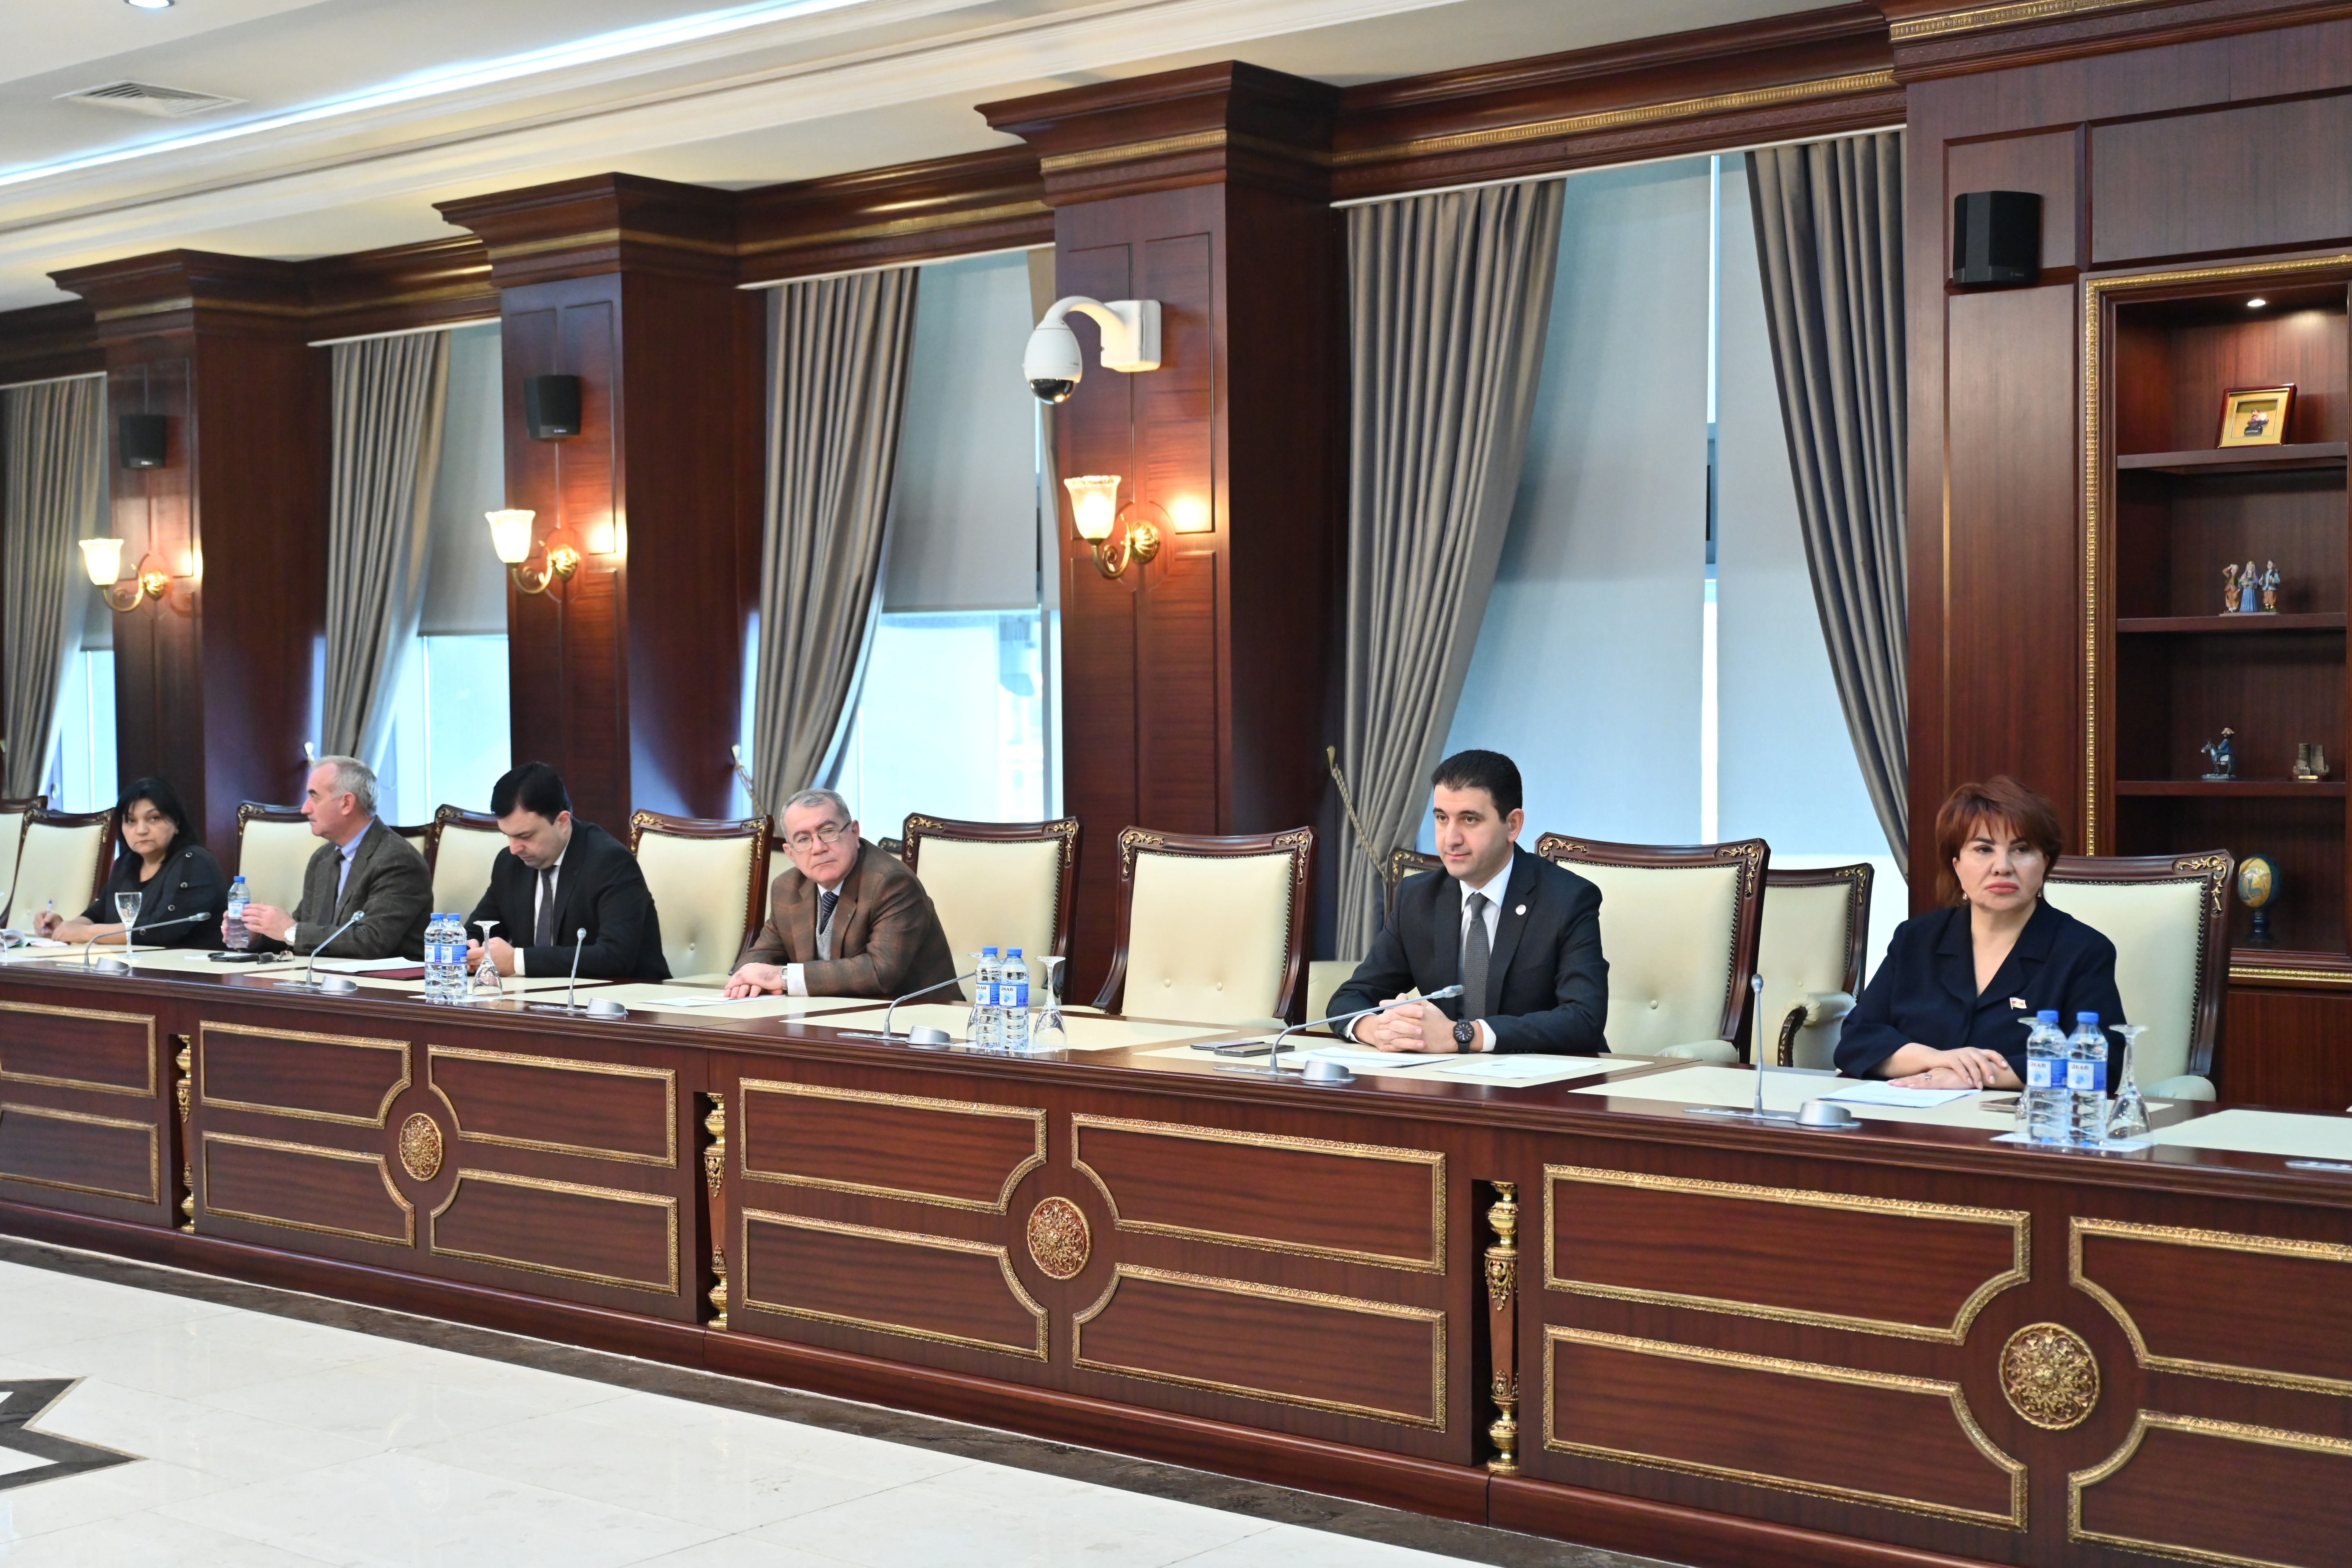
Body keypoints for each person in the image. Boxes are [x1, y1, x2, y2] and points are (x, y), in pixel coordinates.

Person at [1836, 776, 2126, 1089]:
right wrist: (1936, 1060)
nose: (2002, 867)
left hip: (2017, 1115)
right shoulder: (1916, 939)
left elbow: (2099, 1065)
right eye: (1983, 849)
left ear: (2045, 863)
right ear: (1957, 865)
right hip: (1907, 1108)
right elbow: (1856, 1040)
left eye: (2021, 849)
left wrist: (1969, 1077)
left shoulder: (2082, 950)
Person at [1327, 749, 1608, 1054]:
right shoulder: (1418, 897)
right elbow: (1351, 997)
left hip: (1551, 1076)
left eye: (1469, 819)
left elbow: (1584, 1019)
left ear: (1512, 825)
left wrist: (1461, 1035)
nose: (1451, 839)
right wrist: (1376, 1029)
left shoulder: (1567, 898)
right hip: (1447, 1076)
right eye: (1441, 818)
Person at [726, 788, 956, 1000]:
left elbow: (880, 972)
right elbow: (762, 954)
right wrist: (747, 976)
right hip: (826, 1016)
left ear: (854, 832)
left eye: (828, 832)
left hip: (912, 1019)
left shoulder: (891, 883)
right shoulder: (787, 887)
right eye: (803, 839)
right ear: (791, 853)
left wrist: (781, 977)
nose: (818, 848)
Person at [463, 762, 668, 981]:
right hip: (538, 997)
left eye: (525, 836)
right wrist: (468, 949)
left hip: (626, 996)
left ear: (562, 821)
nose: (514, 849)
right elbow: (479, 929)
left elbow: (616, 957)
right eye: (508, 836)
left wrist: (517, 961)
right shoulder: (510, 863)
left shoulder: (610, 861)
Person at [242, 756, 431, 960]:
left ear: (346, 803)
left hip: (381, 979)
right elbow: (307, 933)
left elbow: (372, 941)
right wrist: (259, 934)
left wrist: (292, 931)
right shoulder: (323, 858)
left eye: (315, 797)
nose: (305, 809)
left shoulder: (398, 860)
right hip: (322, 976)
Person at [34, 777, 226, 949]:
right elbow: (98, 915)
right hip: (138, 967)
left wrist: (85, 933)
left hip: (190, 971)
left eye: (154, 818)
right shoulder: (126, 864)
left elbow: (160, 930)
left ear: (176, 823)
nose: (141, 830)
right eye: (131, 821)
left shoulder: (195, 863)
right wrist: (65, 928)